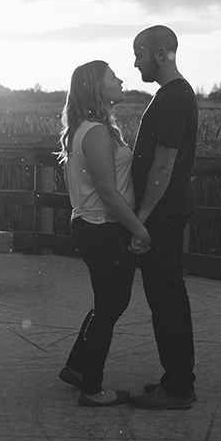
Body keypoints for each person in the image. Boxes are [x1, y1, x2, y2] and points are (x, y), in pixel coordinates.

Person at [56, 60, 151, 407]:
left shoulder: (93, 128)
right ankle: (92, 390)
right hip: (102, 228)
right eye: (113, 77)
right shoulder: (95, 132)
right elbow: (108, 192)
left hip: (95, 227)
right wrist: (139, 229)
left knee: (107, 304)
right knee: (111, 306)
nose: (121, 79)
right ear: (97, 88)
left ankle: (79, 368)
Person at [126, 25, 200, 410]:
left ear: (159, 54)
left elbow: (163, 165)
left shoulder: (172, 99)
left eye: (139, 55)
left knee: (165, 296)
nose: (135, 63)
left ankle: (178, 387)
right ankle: (179, 377)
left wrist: (141, 217)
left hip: (163, 210)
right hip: (172, 206)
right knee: (171, 293)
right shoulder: (177, 94)